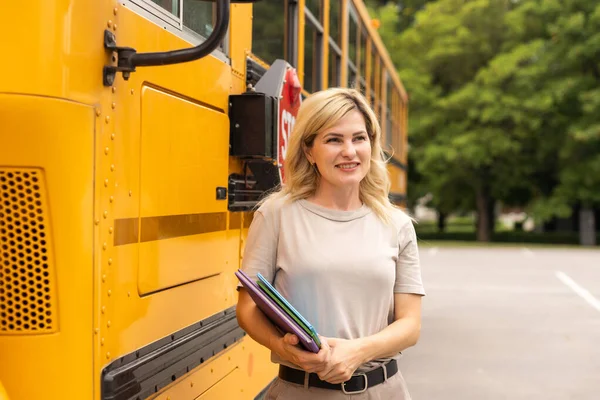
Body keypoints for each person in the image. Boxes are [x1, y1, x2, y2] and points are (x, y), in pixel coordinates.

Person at [236, 88, 425, 399]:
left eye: (359, 138)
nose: (349, 151)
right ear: (309, 150)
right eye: (334, 140)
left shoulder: (397, 224)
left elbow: (410, 324)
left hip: (381, 392)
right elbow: (247, 308)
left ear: (371, 145)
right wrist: (279, 345)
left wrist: (357, 352)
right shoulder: (276, 215)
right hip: (300, 391)